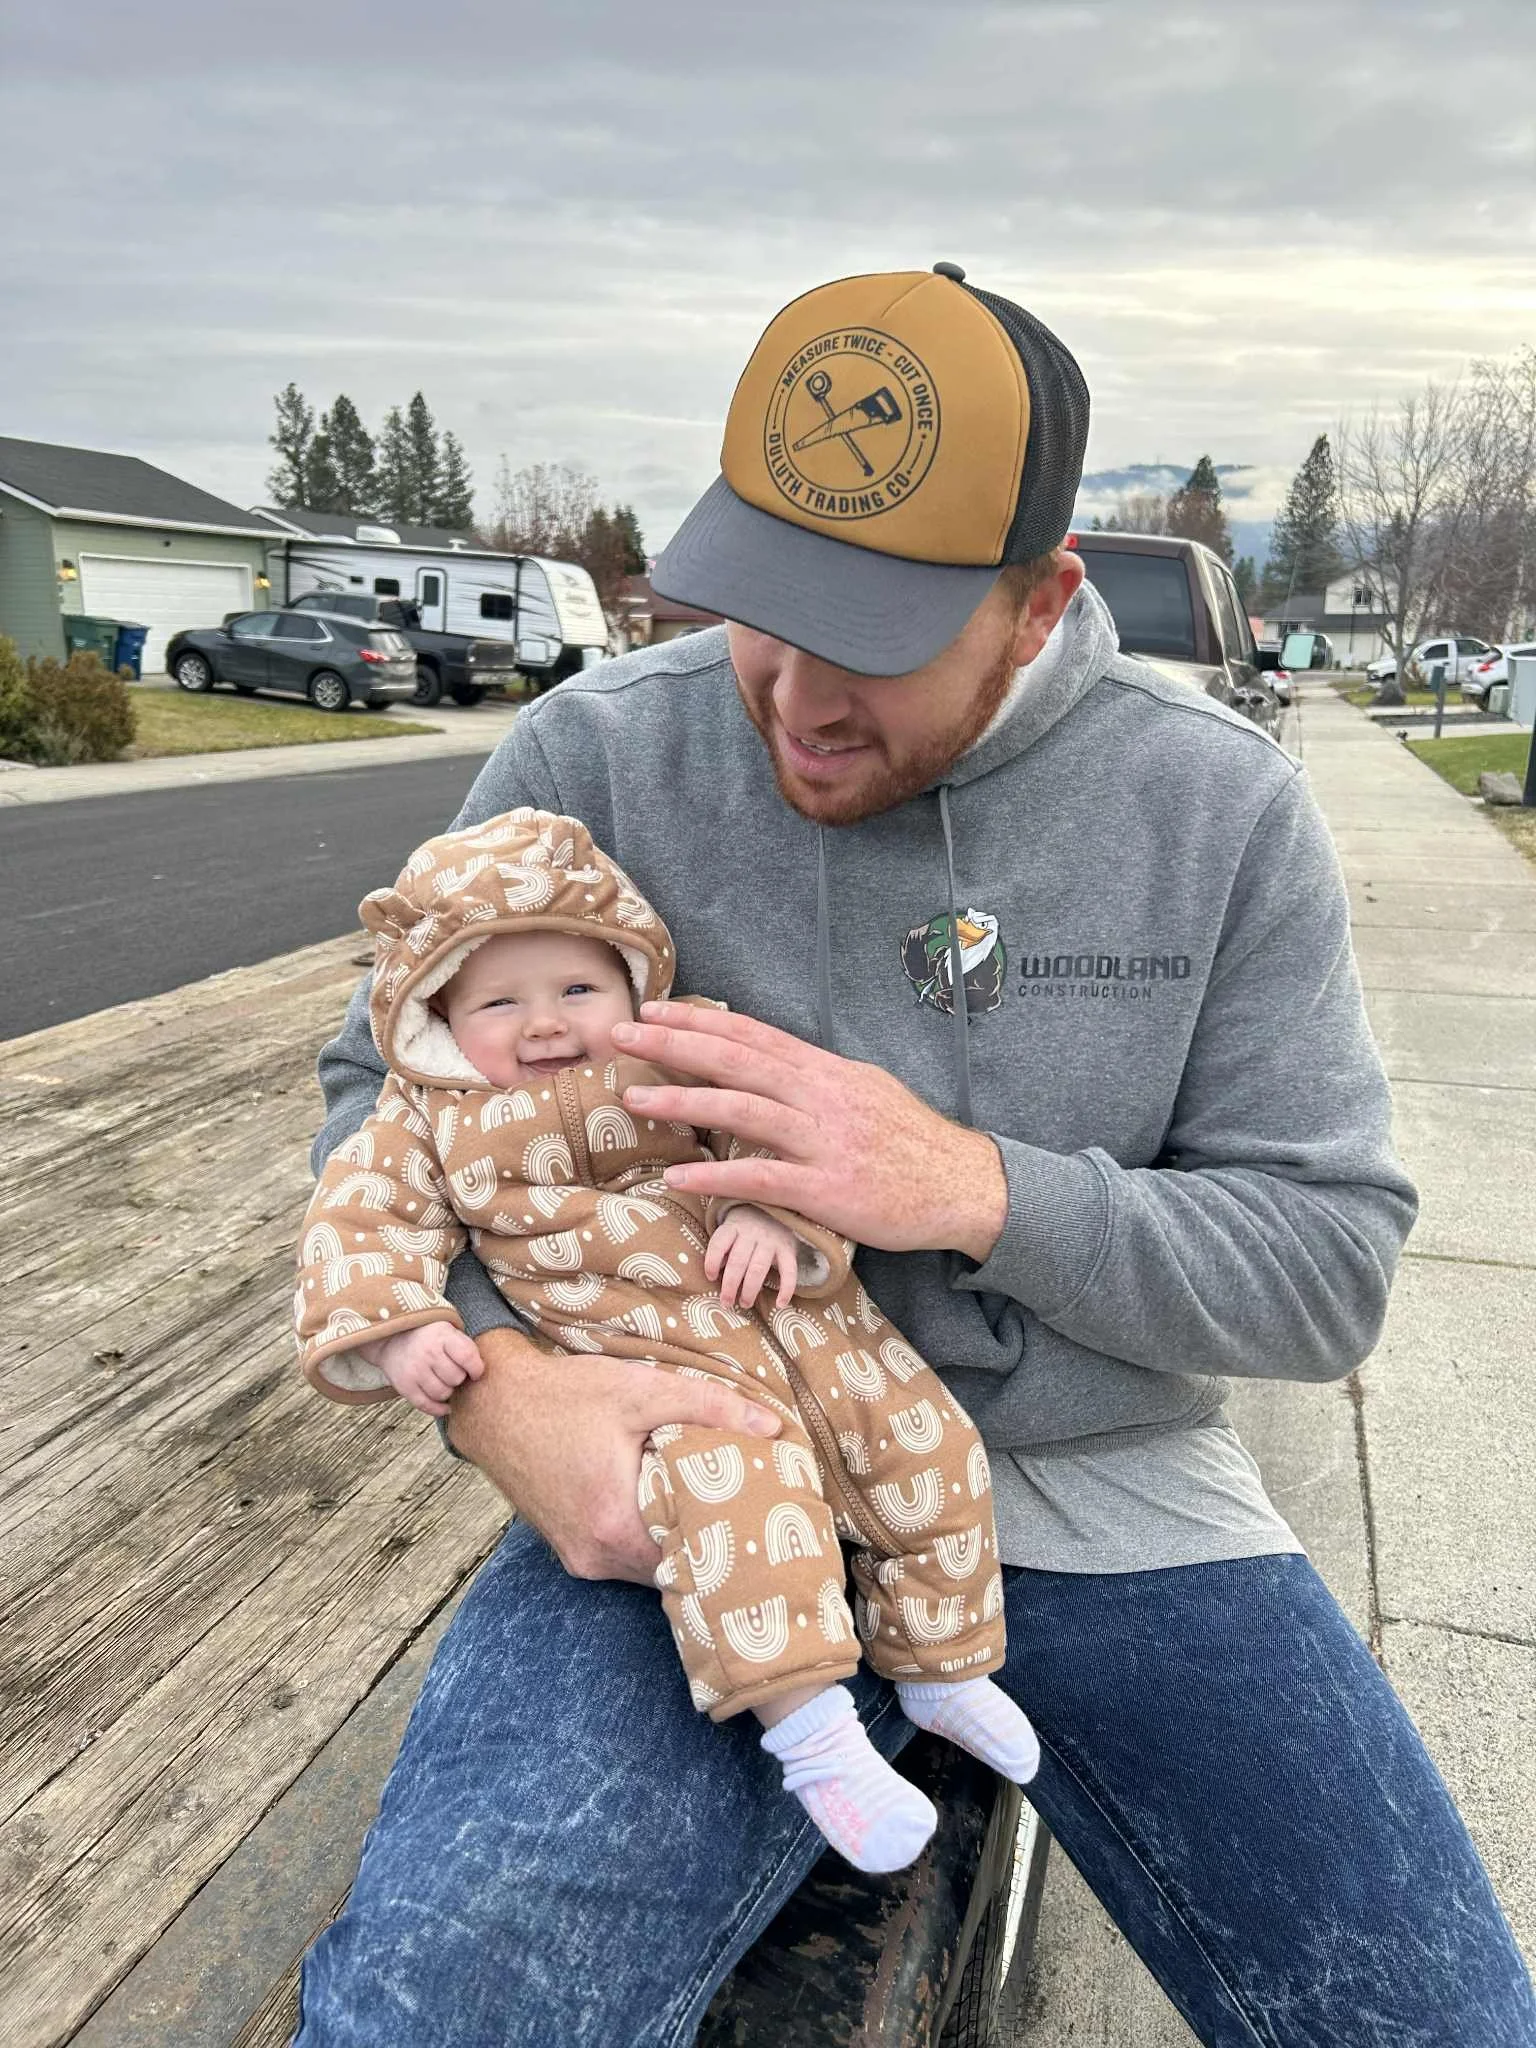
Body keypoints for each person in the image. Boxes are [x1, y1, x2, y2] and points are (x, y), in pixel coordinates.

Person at [293, 265, 1536, 2046]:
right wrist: (493, 1387)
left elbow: (1327, 1264)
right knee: (438, 2014)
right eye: (755, 610)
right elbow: (381, 1085)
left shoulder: (1217, 812)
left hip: (1107, 1496)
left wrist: (971, 1183)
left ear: (1041, 602)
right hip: (700, 1473)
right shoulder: (596, 758)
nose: (789, 695)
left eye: (867, 638)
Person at [292, 805, 1038, 1875]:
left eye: (579, 989)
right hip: (656, 1374)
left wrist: (772, 1211)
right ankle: (814, 1733)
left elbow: (784, 1136)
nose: (546, 1022)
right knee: (739, 1510)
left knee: (928, 1442)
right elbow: (361, 1222)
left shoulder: (678, 1048)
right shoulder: (422, 1119)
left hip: (804, 1324)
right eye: (502, 1000)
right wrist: (405, 1328)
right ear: (440, 1011)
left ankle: (944, 1660)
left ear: (630, 979)